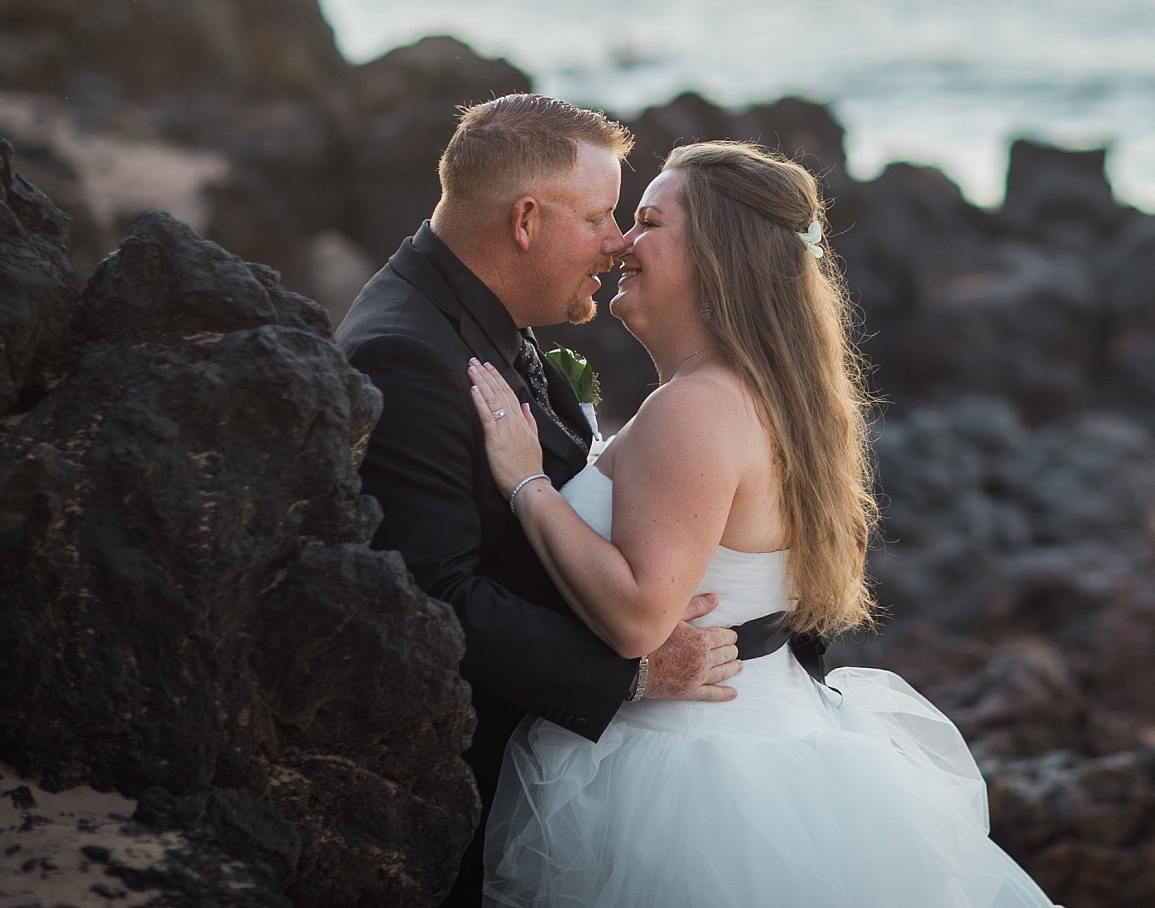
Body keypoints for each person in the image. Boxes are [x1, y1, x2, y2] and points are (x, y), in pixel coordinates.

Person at [471, 140, 1058, 908]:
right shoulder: (778, 398)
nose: (621, 243)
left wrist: (527, 483)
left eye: (647, 222)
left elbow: (639, 618)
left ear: (717, 259)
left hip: (686, 769)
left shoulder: (696, 407)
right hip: (782, 737)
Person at [335, 95, 744, 908]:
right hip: (466, 781)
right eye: (599, 216)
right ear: (525, 220)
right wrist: (629, 676)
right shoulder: (406, 354)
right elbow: (431, 597)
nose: (617, 241)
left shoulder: (479, 314)